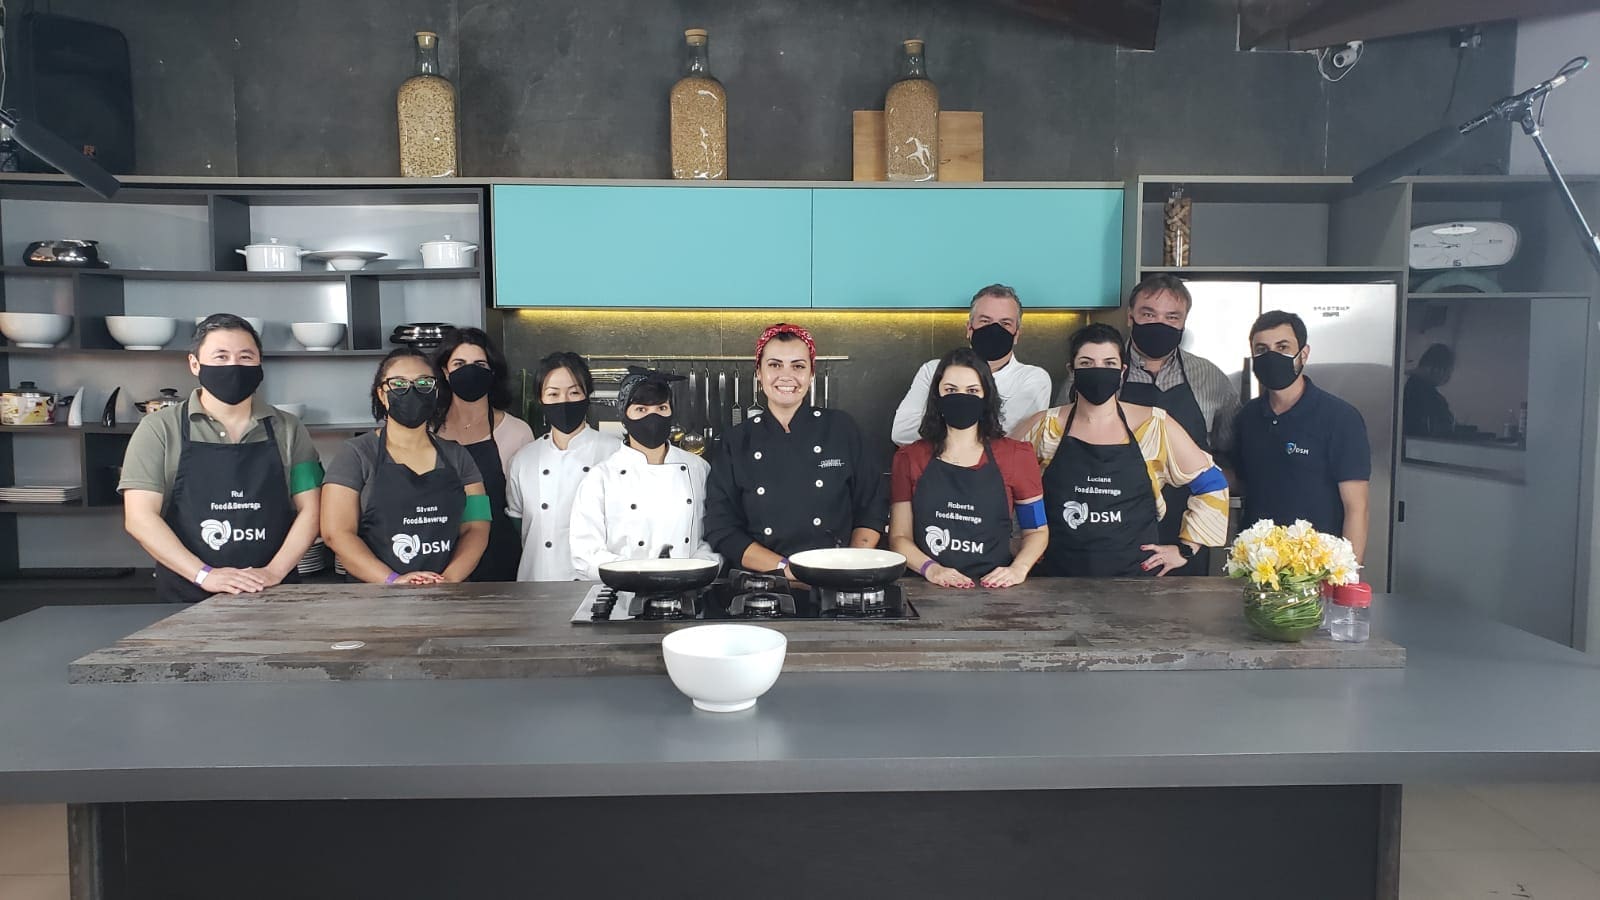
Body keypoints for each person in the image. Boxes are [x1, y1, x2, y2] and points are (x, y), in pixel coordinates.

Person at [119, 314, 324, 601]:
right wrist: (204, 575)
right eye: (221, 356)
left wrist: (274, 572)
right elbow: (140, 517)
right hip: (187, 596)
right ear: (194, 364)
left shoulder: (290, 429)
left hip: (274, 593)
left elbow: (311, 510)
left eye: (245, 357)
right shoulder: (159, 429)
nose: (234, 366)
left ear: (259, 364)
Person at [1055, 274, 1240, 574]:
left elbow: (1230, 451)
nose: (1159, 324)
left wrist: (1191, 539)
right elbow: (1059, 449)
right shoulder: (1094, 372)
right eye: (1149, 314)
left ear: (1184, 322)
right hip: (1104, 535)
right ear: (1130, 317)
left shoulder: (1210, 378)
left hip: (1183, 533)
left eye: (1172, 317)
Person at [1013, 323, 1229, 577]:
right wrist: (1017, 540)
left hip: (1135, 583)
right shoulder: (1043, 427)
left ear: (1122, 371)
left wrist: (1186, 549)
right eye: (1086, 363)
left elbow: (1212, 483)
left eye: (1109, 363)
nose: (1098, 371)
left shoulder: (1154, 426)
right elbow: (998, 481)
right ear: (1072, 370)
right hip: (1055, 578)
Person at [704, 324, 888, 581]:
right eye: (775, 365)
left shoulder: (841, 429)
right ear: (759, 373)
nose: (786, 376)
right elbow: (722, 527)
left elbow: (872, 507)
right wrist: (787, 569)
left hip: (836, 580)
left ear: (811, 374)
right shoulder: (735, 442)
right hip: (764, 584)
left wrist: (849, 566)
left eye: (798, 366)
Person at [321, 348, 491, 584]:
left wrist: (447, 580)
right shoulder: (355, 454)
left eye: (423, 383)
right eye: (399, 384)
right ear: (382, 394)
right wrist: (392, 580)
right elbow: (336, 533)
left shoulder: (459, 456)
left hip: (448, 596)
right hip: (376, 598)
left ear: (435, 392)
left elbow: (478, 526)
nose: (412, 391)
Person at [889, 348, 1046, 588]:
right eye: (951, 390)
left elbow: (1036, 530)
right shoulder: (909, 458)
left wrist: (1018, 569)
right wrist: (931, 569)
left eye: (972, 391)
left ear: (986, 396)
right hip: (927, 588)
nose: (961, 398)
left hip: (995, 590)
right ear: (937, 396)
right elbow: (899, 537)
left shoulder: (1017, 456)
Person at [1232, 310, 1371, 562]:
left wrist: (1348, 574)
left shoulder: (1339, 418)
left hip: (1316, 565)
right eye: (1262, 349)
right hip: (1256, 562)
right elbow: (1240, 480)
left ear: (1303, 354)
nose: (1272, 356)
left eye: (1282, 347)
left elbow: (1356, 507)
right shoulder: (1247, 417)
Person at [569, 367, 720, 579]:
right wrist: (640, 574)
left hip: (686, 588)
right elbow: (586, 553)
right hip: (623, 592)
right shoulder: (600, 478)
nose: (653, 417)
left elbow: (713, 536)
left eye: (661, 408)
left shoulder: (698, 468)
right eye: (641, 409)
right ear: (624, 416)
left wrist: (693, 569)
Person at [505, 352, 621, 581]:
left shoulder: (615, 453)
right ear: (540, 400)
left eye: (574, 392)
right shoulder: (524, 459)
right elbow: (518, 522)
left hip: (596, 581)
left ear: (587, 395)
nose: (564, 401)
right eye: (553, 394)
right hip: (538, 578)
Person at [890, 284, 1053, 446]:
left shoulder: (1033, 378)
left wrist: (940, 421)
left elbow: (1012, 442)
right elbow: (902, 433)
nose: (994, 329)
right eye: (985, 321)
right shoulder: (932, 370)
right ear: (969, 328)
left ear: (1016, 334)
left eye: (1005, 323)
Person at [433, 327, 534, 581]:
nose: (470, 371)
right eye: (459, 364)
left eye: (479, 364)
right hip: (436, 562)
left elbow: (526, 510)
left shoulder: (517, 432)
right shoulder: (426, 431)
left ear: (492, 372)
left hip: (500, 563)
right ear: (445, 371)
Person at [1403, 343, 1456, 438]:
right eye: (1448, 372)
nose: (1448, 377)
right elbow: (1443, 431)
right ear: (1437, 369)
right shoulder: (1431, 398)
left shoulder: (1408, 385)